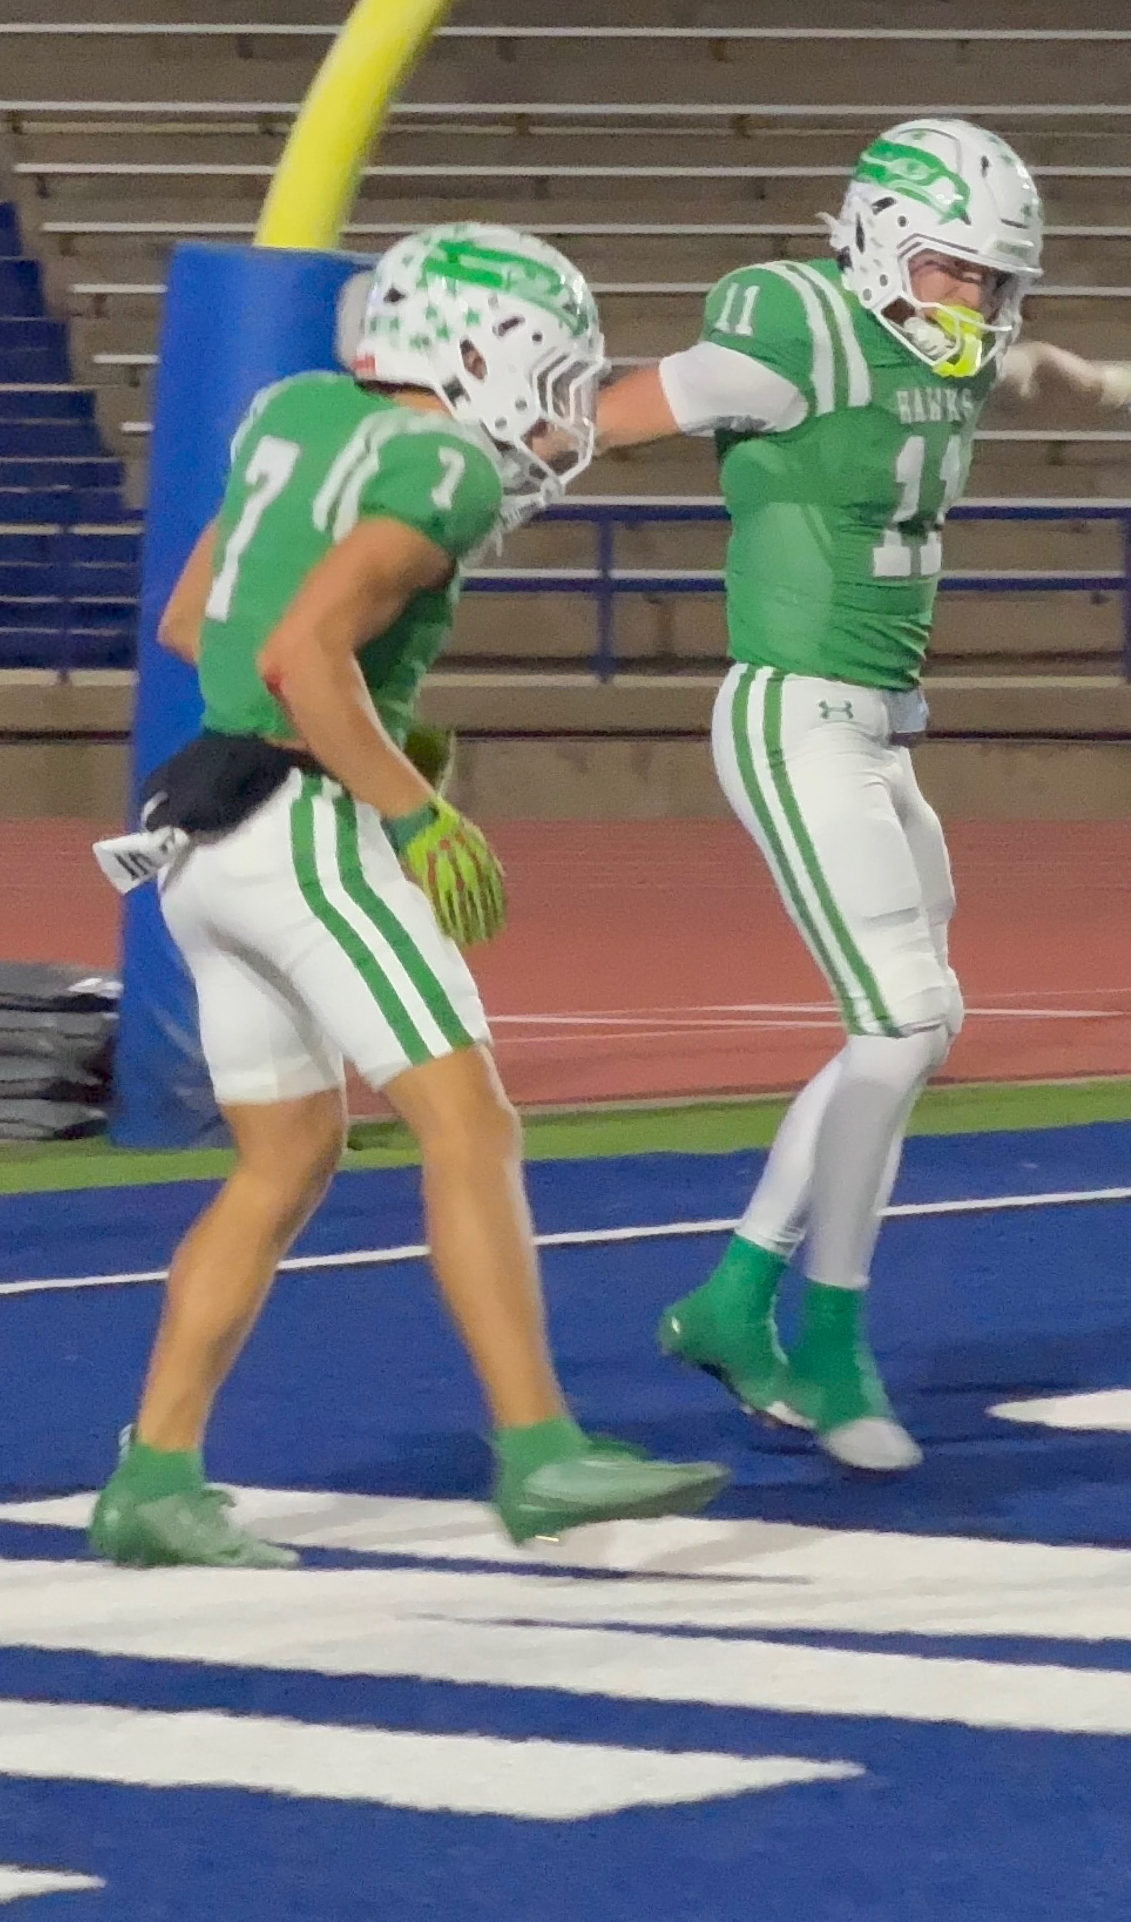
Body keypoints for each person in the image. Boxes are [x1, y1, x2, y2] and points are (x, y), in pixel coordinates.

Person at [83, 222, 733, 1565]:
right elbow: (306, 653)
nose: (558, 410)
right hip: (303, 835)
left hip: (201, 836)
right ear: (476, 351)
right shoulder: (437, 462)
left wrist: (369, 730)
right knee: (468, 1124)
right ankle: (541, 1450)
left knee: (287, 1160)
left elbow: (193, 623)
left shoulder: (297, 415)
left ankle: (152, 1473)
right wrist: (409, 803)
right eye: (547, 373)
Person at [591, 120, 1131, 1472]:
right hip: (792, 708)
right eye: (945, 272)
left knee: (915, 1025)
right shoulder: (791, 328)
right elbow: (618, 416)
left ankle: (737, 1298)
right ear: (870, 241)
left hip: (877, 728)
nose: (966, 302)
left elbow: (1029, 365)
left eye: (987, 281)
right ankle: (831, 1340)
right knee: (902, 1018)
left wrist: (1119, 381)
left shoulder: (946, 347)